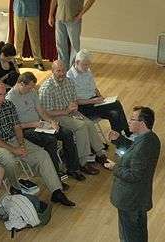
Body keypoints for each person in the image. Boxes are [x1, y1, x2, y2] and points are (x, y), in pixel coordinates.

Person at [0, 82, 75, 206]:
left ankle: (56, 191)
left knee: (43, 155)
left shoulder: (8, 104)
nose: (2, 98)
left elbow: (17, 126)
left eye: (4, 94)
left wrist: (21, 144)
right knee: (9, 160)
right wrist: (14, 150)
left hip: (13, 139)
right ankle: (15, 187)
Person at [6, 72, 85, 181]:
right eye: (29, 88)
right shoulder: (10, 99)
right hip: (25, 130)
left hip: (39, 124)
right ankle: (55, 175)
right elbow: (15, 125)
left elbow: (41, 111)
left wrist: (51, 121)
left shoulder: (32, 92)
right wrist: (33, 124)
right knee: (50, 140)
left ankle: (73, 168)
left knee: (67, 133)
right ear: (21, 84)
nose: (31, 90)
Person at [39, 60, 108, 175]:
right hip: (57, 116)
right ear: (53, 71)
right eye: (58, 71)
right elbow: (46, 112)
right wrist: (66, 111)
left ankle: (100, 154)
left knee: (89, 124)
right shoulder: (46, 89)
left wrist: (74, 106)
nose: (62, 73)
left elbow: (74, 99)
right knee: (81, 126)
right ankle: (83, 162)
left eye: (63, 70)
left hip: (71, 112)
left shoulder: (69, 82)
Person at [106, 106, 161, 242]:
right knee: (139, 232)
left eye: (132, 119)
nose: (128, 122)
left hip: (130, 199)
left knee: (129, 236)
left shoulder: (143, 146)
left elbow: (134, 175)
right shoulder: (149, 138)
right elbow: (134, 151)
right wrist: (119, 140)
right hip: (138, 198)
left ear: (142, 123)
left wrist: (115, 167)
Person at [67, 49, 131, 136]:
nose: (87, 67)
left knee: (115, 107)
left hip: (94, 101)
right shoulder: (69, 77)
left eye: (89, 64)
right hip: (83, 106)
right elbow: (74, 101)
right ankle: (124, 135)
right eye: (85, 65)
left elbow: (94, 88)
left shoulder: (87, 71)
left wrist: (101, 97)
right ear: (77, 62)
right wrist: (94, 101)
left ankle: (122, 135)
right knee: (115, 109)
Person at [48, 0, 96, 70]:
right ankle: (62, 69)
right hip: (59, 18)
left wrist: (80, 14)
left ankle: (72, 70)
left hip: (73, 19)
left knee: (74, 46)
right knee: (60, 45)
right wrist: (50, 15)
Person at [13, 0, 44, 70]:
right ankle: (18, 60)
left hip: (33, 10)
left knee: (35, 38)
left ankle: (38, 61)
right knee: (18, 38)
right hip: (19, 10)